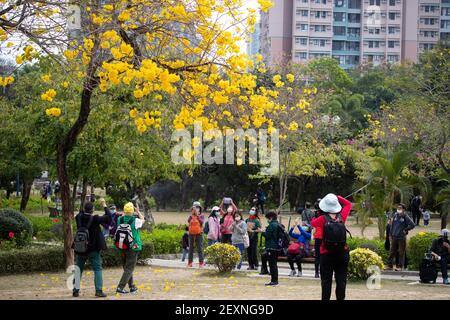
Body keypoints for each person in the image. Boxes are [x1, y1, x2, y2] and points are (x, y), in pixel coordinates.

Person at [311, 193, 352, 301]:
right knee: (341, 280)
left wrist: (318, 214)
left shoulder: (322, 219)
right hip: (342, 253)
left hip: (326, 253)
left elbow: (312, 223)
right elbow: (348, 204)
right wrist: (337, 197)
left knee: (326, 281)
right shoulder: (342, 216)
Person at [72, 199, 111, 298]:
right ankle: (98, 290)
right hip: (93, 248)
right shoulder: (96, 219)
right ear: (92, 210)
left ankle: (75, 290)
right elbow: (109, 218)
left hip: (81, 247)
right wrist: (105, 206)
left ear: (84, 209)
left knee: (78, 269)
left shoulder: (78, 218)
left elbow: (80, 213)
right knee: (97, 269)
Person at [115, 202, 145, 294]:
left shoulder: (120, 219)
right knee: (129, 268)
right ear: (132, 211)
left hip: (122, 245)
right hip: (133, 247)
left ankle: (132, 287)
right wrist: (138, 211)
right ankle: (120, 288)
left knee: (127, 268)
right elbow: (143, 219)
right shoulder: (135, 220)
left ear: (124, 211)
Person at [386, 204, 415, 271]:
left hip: (401, 237)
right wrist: (390, 234)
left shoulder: (405, 217)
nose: (398, 209)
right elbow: (392, 226)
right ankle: (389, 266)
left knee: (401, 252)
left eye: (400, 208)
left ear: (403, 209)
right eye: (398, 208)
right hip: (394, 236)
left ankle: (400, 266)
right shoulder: (395, 215)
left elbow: (412, 225)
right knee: (392, 252)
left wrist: (406, 230)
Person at [261, 211, 280, 286]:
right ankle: (274, 279)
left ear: (271, 218)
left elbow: (267, 235)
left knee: (272, 264)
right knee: (274, 264)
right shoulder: (277, 224)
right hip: (276, 247)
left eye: (267, 218)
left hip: (271, 247)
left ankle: (274, 280)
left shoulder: (272, 225)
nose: (267, 220)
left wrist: (262, 232)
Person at [187, 202, 205, 268]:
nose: (196, 209)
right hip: (191, 233)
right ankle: (190, 262)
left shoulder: (201, 215)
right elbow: (188, 221)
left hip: (199, 233)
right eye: (195, 207)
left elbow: (202, 222)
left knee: (200, 248)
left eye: (198, 207)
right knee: (191, 248)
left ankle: (201, 262)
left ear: (200, 208)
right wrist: (192, 215)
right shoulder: (191, 216)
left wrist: (197, 215)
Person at [312, 205, 324, 278]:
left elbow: (312, 223)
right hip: (324, 238)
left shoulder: (317, 219)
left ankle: (316, 273)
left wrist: (314, 216)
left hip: (318, 238)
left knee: (317, 256)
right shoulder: (325, 218)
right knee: (323, 256)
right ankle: (321, 272)